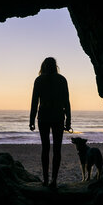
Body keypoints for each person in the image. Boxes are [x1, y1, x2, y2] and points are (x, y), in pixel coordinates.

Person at [29, 57, 71, 188]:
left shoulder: (39, 80)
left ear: (44, 66)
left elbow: (35, 102)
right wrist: (68, 120)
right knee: (57, 149)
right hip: (58, 117)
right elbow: (66, 102)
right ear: (55, 66)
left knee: (45, 148)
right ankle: (54, 180)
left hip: (43, 117)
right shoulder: (62, 80)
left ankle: (46, 180)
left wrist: (31, 119)